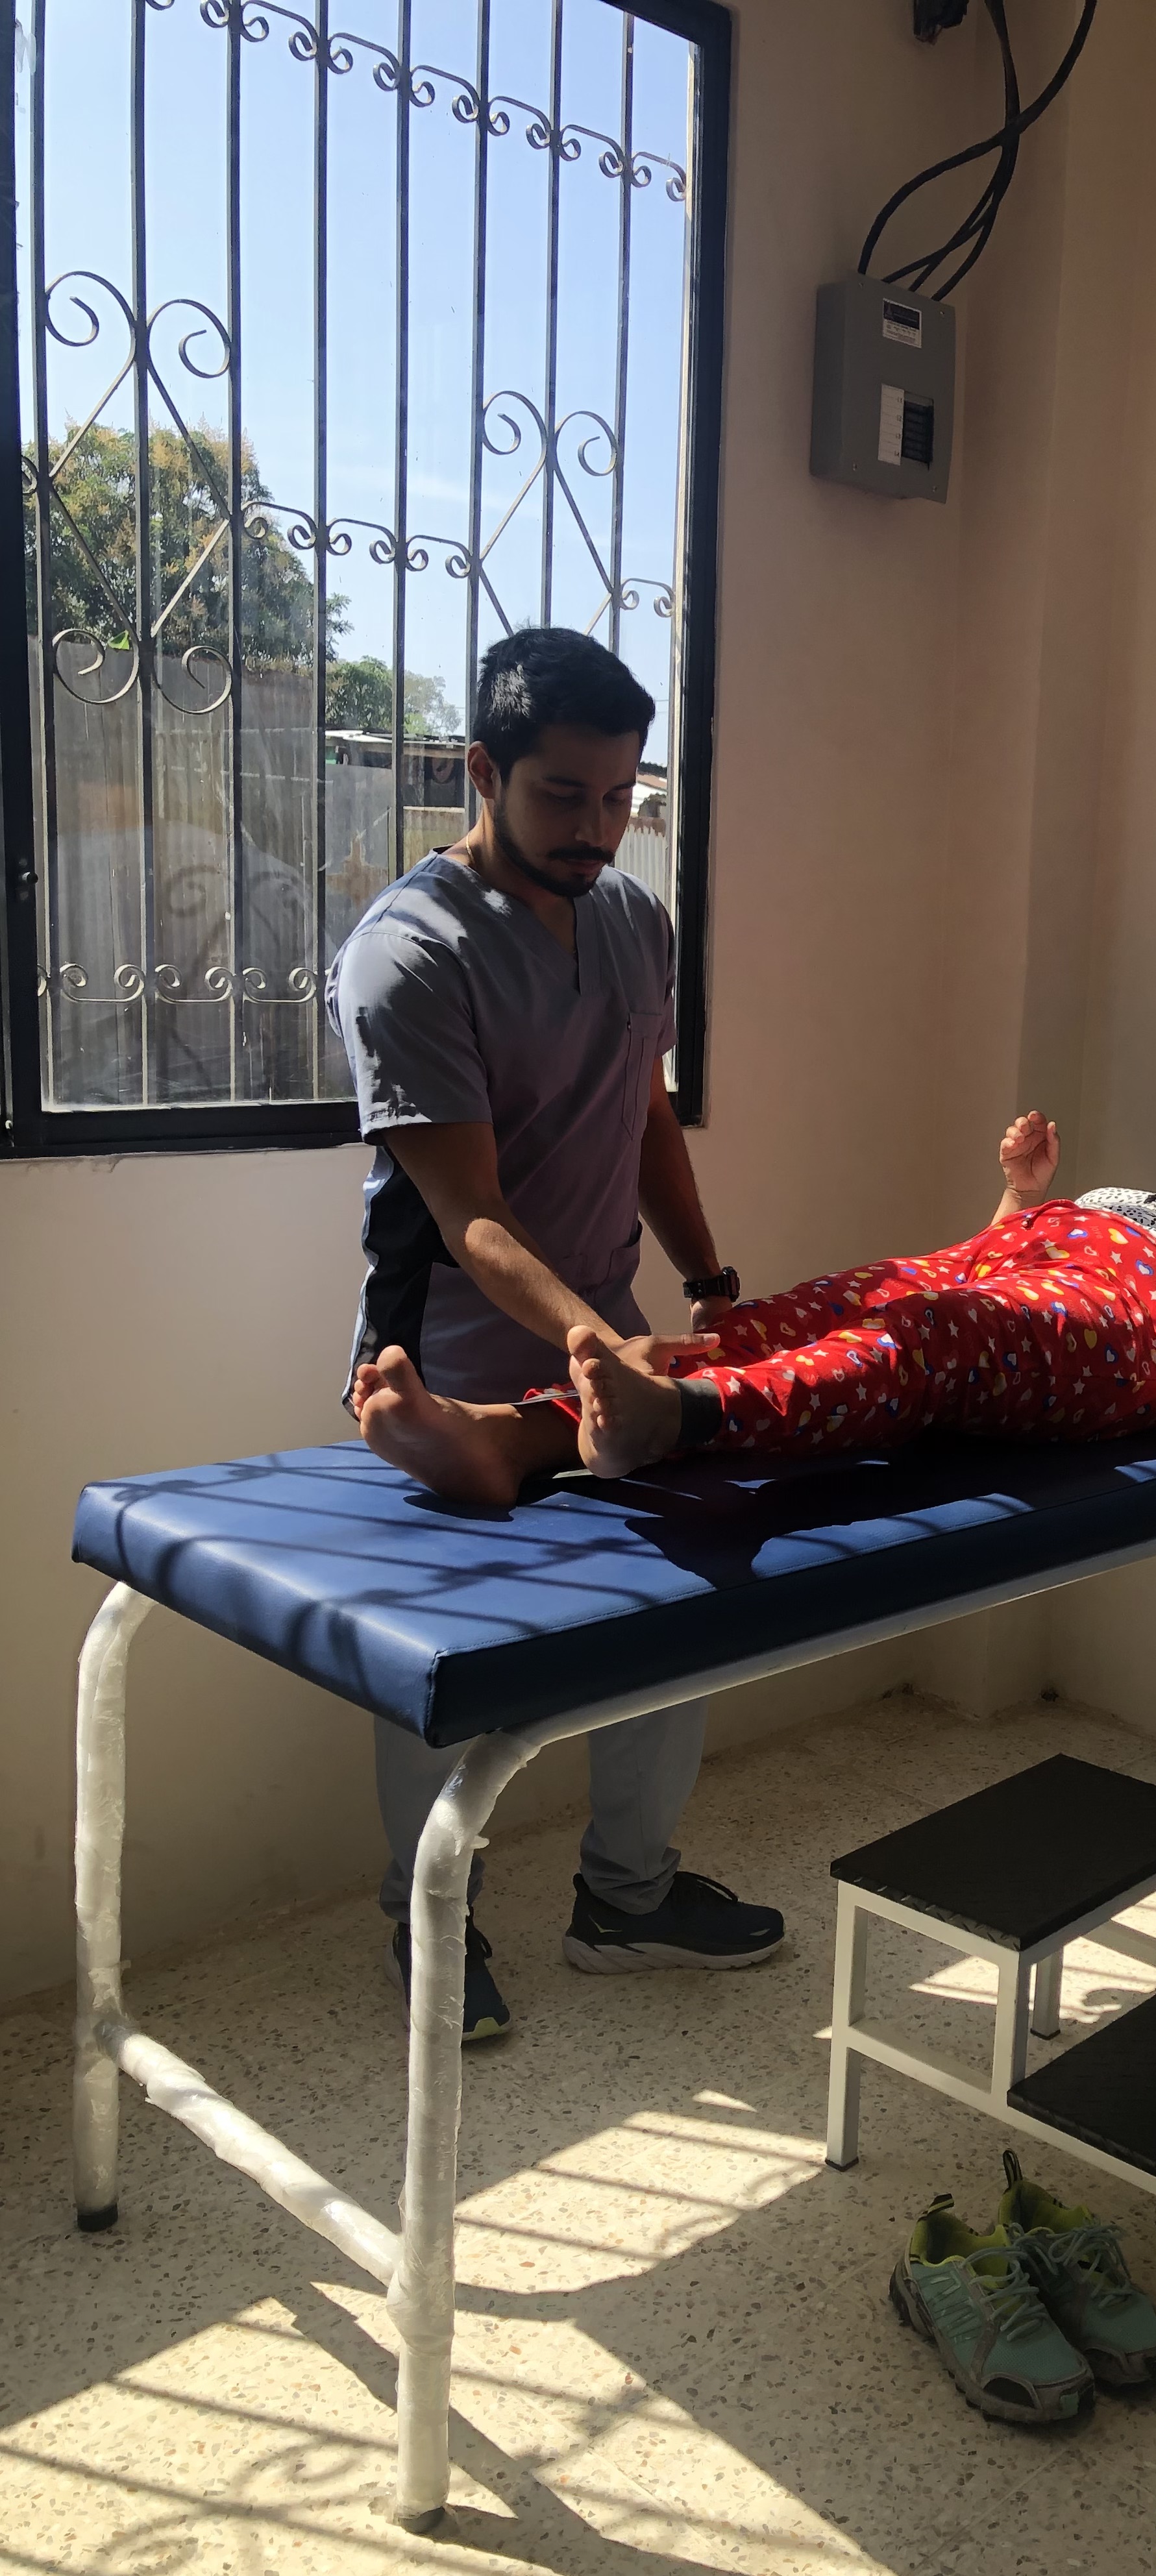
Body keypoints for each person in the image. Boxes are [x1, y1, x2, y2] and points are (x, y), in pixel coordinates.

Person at [326, 627, 783, 2046]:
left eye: (620, 797)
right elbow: (467, 1210)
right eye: (562, 796)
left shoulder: (633, 919)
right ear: (482, 769)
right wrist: (599, 1342)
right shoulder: (408, 951)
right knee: (452, 1668)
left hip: (608, 1336)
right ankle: (429, 1928)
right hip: (447, 1363)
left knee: (682, 1599)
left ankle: (626, 1898)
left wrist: (707, 1278)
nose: (596, 828)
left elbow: (642, 1115)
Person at [352, 1107, 1156, 1496]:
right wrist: (1022, 1190)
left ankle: (684, 1416)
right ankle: (508, 1435)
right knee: (810, 1309)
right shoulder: (1135, 1198)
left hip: (1135, 1324)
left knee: (925, 1339)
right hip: (1009, 1266)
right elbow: (993, 1262)